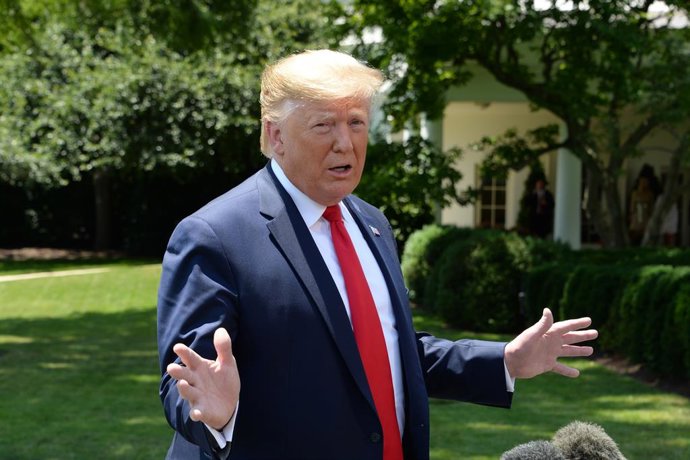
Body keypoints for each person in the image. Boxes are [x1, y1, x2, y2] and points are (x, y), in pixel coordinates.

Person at [157, 49, 598, 460]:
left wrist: (504, 362)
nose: (345, 143)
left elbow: (389, 351)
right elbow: (189, 382)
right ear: (276, 136)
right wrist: (215, 414)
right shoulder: (214, 236)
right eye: (323, 125)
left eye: (356, 122)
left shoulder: (371, 223)